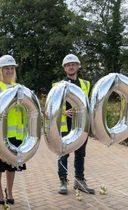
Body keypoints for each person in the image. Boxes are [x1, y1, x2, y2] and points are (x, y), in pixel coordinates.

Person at [0, 55, 26, 205]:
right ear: (0, 70)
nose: (9, 70)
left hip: (15, 134)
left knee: (12, 166)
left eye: (11, 68)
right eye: (6, 68)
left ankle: (10, 191)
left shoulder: (19, 88)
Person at [56, 54, 95, 195]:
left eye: (73, 64)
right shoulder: (58, 85)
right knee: (63, 153)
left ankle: (79, 181)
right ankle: (63, 181)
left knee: (80, 154)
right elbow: (51, 106)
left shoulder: (86, 84)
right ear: (64, 68)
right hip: (65, 125)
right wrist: (63, 112)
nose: (71, 66)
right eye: (68, 65)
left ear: (78, 66)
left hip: (81, 125)